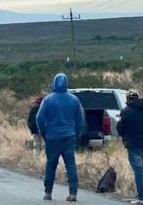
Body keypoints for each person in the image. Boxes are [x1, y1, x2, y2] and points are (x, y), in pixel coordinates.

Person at [37, 73, 85, 202]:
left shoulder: (48, 99)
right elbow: (81, 120)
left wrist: (43, 132)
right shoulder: (74, 100)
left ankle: (48, 192)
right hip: (69, 136)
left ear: (54, 83)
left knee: (51, 164)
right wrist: (76, 133)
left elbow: (39, 117)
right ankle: (73, 193)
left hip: (52, 137)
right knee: (70, 165)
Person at [116, 89, 143, 204]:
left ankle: (141, 198)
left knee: (138, 171)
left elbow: (120, 129)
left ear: (127, 99)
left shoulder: (125, 111)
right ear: (138, 98)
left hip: (134, 145)